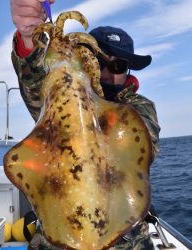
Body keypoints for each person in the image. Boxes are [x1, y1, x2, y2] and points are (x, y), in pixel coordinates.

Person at [10, 0, 161, 249]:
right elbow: (37, 91)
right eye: (98, 60)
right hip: (58, 235)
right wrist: (28, 38)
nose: (107, 72)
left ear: (128, 70)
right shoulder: (58, 99)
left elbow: (143, 149)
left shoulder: (140, 108)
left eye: (119, 65)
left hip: (126, 240)